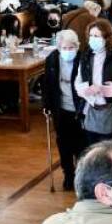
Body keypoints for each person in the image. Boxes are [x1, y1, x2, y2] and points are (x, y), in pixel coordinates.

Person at [42, 29, 85, 191]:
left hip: (79, 109)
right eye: (64, 48)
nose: (68, 51)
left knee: (81, 145)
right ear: (59, 48)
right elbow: (47, 84)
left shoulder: (83, 59)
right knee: (64, 144)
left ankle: (81, 175)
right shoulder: (52, 59)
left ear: (77, 47)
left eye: (71, 47)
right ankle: (68, 174)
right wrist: (46, 104)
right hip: (61, 109)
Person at [76, 19, 112, 145]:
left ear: (106, 38)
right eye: (91, 35)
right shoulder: (86, 56)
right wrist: (85, 90)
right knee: (91, 148)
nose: (92, 39)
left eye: (97, 36)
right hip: (90, 109)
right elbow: (78, 81)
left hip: (110, 111)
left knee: (108, 148)